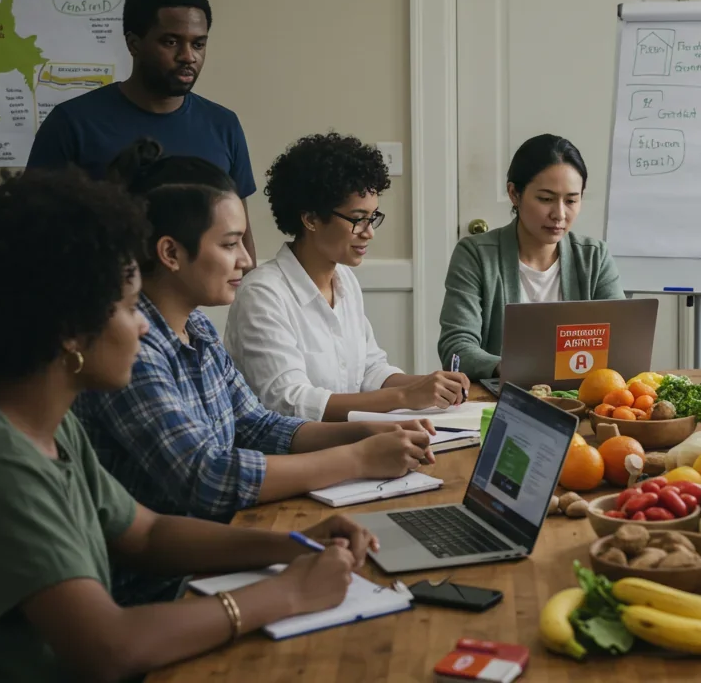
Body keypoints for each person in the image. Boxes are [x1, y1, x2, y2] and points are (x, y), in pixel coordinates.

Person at [0, 169, 379, 682]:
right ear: (68, 332)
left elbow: (145, 534)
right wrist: (289, 591)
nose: (142, 324)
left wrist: (299, 543)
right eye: (126, 308)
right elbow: (108, 647)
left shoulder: (48, 428)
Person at [73, 139, 434, 605]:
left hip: (221, 552)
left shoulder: (195, 325)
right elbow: (205, 475)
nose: (246, 257)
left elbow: (255, 423)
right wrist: (358, 458)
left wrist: (363, 433)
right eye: (229, 244)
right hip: (162, 588)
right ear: (170, 252)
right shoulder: (132, 347)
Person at [226, 133, 470, 419]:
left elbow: (370, 369)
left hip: (345, 439)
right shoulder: (263, 294)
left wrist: (430, 384)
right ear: (311, 219)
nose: (369, 232)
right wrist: (406, 396)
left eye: (372, 217)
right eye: (357, 219)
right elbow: (289, 402)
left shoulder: (344, 280)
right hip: (290, 454)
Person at [26, 0, 258, 262]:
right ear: (134, 44)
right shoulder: (72, 124)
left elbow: (241, 236)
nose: (188, 56)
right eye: (171, 42)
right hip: (100, 299)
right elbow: (34, 232)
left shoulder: (223, 125)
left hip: (196, 305)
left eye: (198, 44)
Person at [439, 133, 623, 379]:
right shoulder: (476, 255)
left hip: (583, 397)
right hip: (502, 397)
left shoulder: (594, 257)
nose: (559, 214)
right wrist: (510, 368)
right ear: (514, 193)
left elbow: (622, 341)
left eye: (571, 200)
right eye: (545, 199)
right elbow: (457, 348)